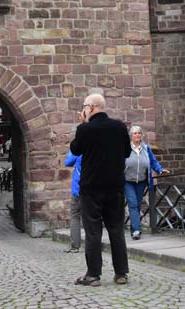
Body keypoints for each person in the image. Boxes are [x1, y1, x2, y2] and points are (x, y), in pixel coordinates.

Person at [70, 93, 131, 287]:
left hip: (91, 188)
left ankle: (93, 275)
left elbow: (75, 149)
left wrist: (82, 124)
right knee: (116, 229)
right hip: (115, 187)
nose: (83, 110)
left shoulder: (85, 129)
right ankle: (121, 273)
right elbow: (127, 152)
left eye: (84, 106)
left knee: (93, 232)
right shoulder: (119, 127)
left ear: (90, 107)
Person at [125, 125, 170, 240]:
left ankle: (134, 227)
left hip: (141, 180)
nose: (137, 135)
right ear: (131, 135)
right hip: (127, 181)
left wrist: (160, 169)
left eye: (139, 133)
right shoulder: (126, 147)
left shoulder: (145, 148)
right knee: (133, 203)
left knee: (137, 204)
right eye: (135, 133)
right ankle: (137, 230)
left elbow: (153, 161)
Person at [64, 149, 83, 253]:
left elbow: (68, 162)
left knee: (75, 216)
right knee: (92, 218)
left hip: (79, 188)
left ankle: (75, 245)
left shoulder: (79, 147)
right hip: (95, 189)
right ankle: (93, 245)